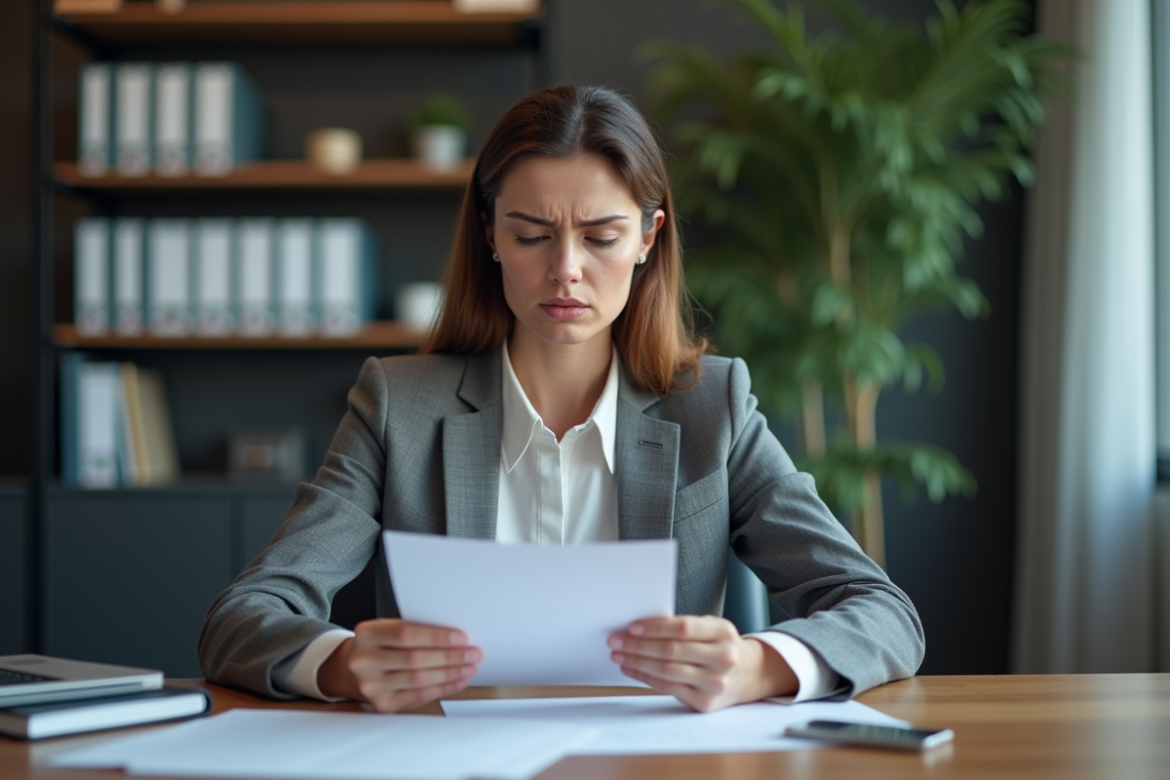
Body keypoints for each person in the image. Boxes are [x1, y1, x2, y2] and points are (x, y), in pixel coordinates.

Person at [198, 84, 924, 714]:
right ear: (489, 235)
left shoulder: (712, 406)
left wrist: (756, 667)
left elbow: (882, 613)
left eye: (601, 236)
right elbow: (242, 618)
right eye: (531, 234)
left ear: (648, 237)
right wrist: (339, 664)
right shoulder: (397, 406)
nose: (565, 271)